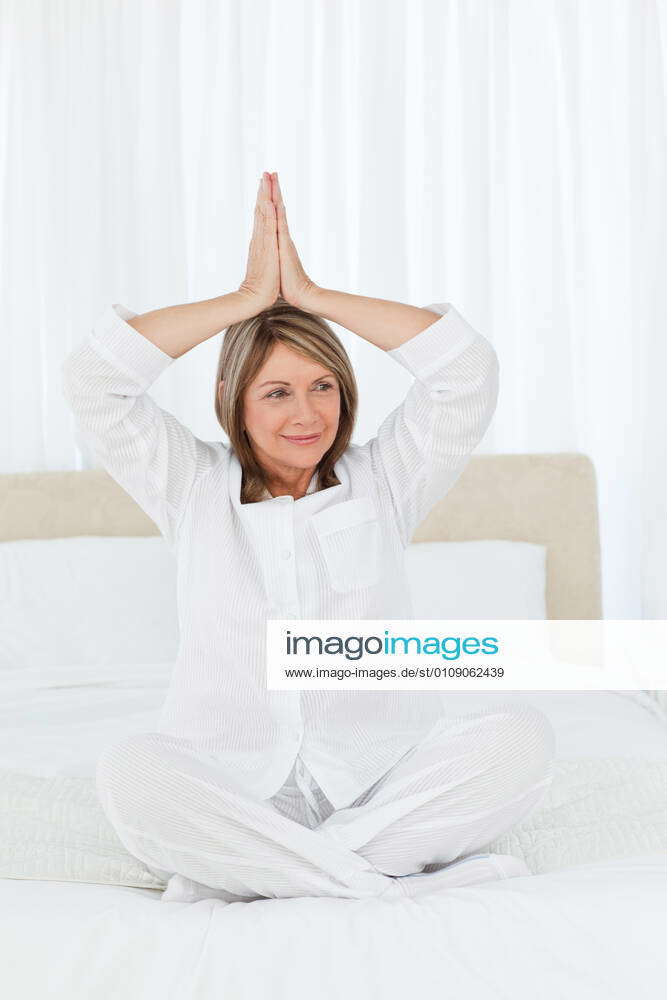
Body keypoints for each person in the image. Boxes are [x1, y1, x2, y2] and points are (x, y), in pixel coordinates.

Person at [62, 171, 555, 905]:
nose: (306, 413)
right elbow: (95, 379)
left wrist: (312, 296)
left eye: (322, 386)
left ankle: (268, 873)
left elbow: (465, 371)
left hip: (378, 780)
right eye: (277, 391)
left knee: (522, 737)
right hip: (232, 783)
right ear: (236, 401)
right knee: (130, 771)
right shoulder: (192, 489)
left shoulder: (386, 479)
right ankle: (374, 882)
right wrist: (244, 303)